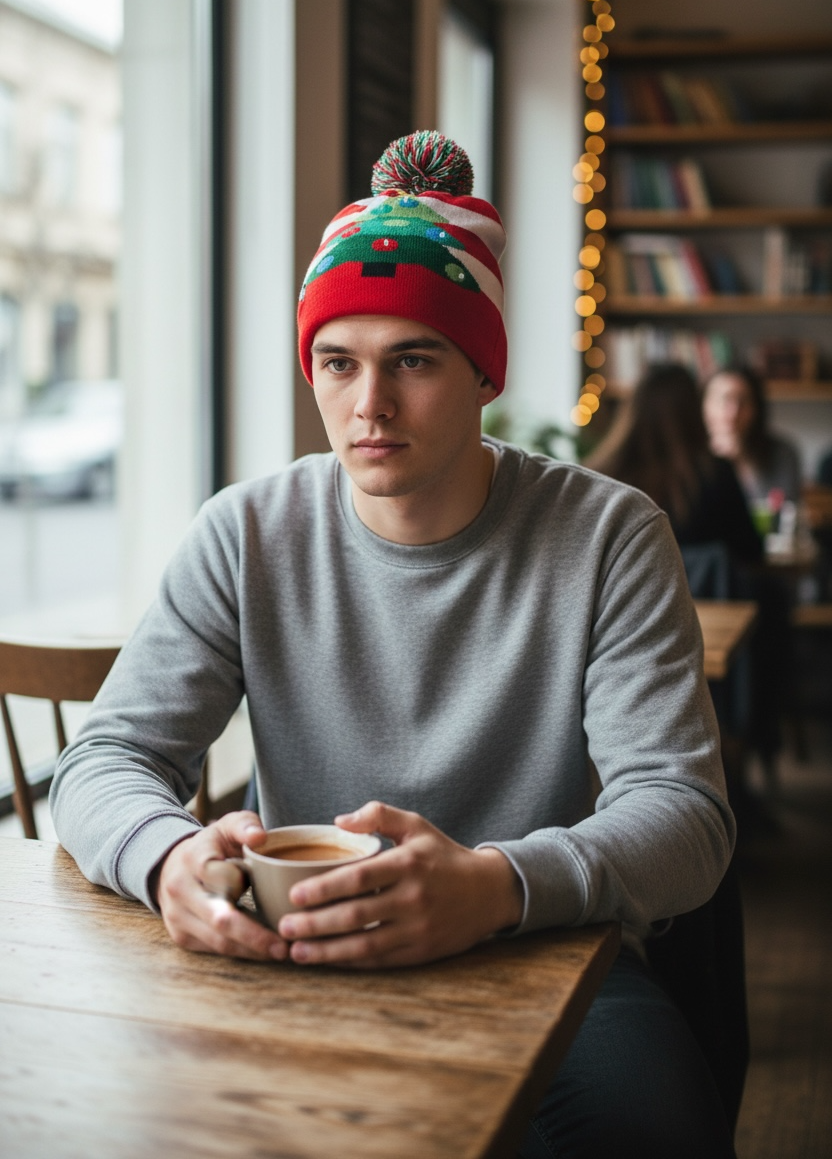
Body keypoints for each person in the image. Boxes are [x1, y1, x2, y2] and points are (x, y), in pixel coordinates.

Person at [51, 131, 737, 1157]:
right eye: (338, 363)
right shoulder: (246, 531)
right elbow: (105, 759)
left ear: (480, 372)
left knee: (650, 1130)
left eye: (411, 361)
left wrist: (497, 886)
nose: (367, 406)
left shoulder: (607, 533)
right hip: (292, 955)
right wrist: (169, 860)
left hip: (539, 956)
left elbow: (683, 817)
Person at [586, 362, 762, 571]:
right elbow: (752, 551)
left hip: (620, 602)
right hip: (702, 603)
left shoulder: (599, 475)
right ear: (693, 411)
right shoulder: (715, 473)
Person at [702, 365, 802, 512]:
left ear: (756, 409)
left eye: (742, 401)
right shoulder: (689, 457)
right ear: (704, 405)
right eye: (724, 400)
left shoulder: (782, 453)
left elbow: (781, 514)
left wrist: (741, 460)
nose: (733, 413)